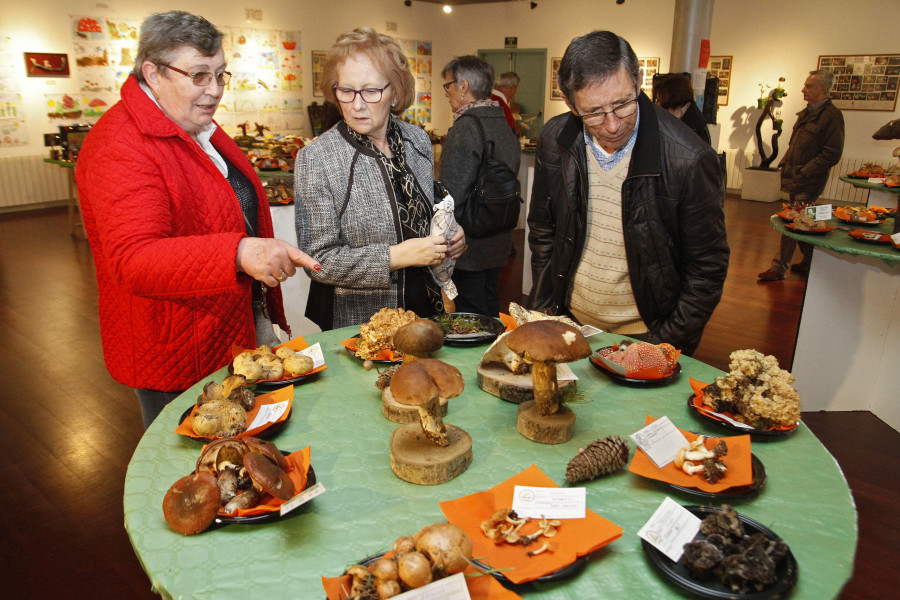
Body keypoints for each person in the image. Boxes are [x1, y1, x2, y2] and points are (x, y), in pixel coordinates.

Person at [75, 11, 319, 428]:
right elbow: (134, 260)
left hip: (230, 329)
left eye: (221, 75)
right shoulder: (121, 145)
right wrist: (240, 251)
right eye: (200, 76)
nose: (214, 91)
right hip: (177, 349)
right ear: (153, 73)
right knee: (197, 473)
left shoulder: (194, 125)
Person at [527, 30, 728, 355]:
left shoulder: (689, 158)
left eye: (622, 104)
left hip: (646, 338)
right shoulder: (555, 138)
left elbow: (707, 267)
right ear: (569, 103)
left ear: (638, 81)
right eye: (593, 111)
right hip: (569, 325)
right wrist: (549, 307)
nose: (611, 125)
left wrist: (665, 344)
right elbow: (543, 229)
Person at [294, 28, 466, 330]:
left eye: (371, 91)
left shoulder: (417, 142)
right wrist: (395, 256)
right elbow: (318, 261)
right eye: (345, 90)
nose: (357, 105)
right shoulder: (318, 158)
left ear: (395, 91)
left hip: (426, 310)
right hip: (360, 324)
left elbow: (427, 211)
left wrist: (450, 235)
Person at [439, 56, 520, 317]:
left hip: (470, 242)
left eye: (448, 86)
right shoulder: (501, 120)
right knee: (488, 306)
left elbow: (452, 195)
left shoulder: (466, 127)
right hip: (498, 235)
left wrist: (446, 240)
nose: (447, 93)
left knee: (469, 317)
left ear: (463, 86)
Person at [757, 70, 845, 281]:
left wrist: (805, 171)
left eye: (809, 86)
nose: (803, 90)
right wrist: (786, 164)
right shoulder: (808, 113)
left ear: (823, 89)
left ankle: (779, 268)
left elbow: (831, 153)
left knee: (793, 220)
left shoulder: (832, 117)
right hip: (795, 175)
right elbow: (796, 143)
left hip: (810, 179)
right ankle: (810, 260)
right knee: (805, 219)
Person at [653, 72, 711, 145]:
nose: (656, 104)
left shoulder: (693, 131)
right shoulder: (686, 119)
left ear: (670, 100)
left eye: (658, 100)